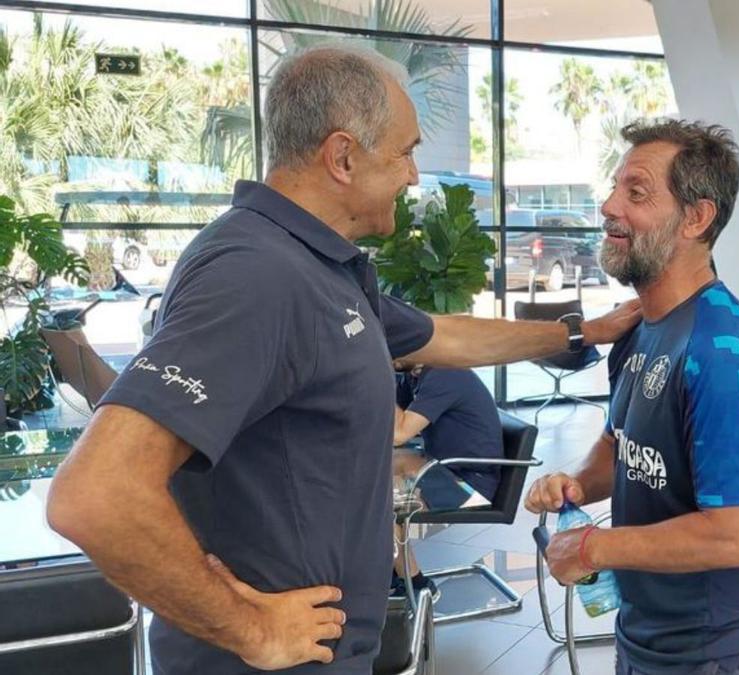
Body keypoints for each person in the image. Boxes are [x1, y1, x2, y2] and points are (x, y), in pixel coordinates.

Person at [44, 45, 638, 675]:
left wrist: (584, 332)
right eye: (405, 152)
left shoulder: (317, 265)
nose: (414, 176)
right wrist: (248, 628)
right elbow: (96, 495)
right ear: (343, 156)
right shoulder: (258, 276)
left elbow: (443, 336)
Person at [524, 119, 739, 674]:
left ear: (696, 218)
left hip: (718, 650)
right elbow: (620, 442)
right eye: (614, 187)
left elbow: (735, 536)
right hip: (648, 632)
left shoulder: (722, 354)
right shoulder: (642, 327)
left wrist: (595, 549)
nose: (607, 206)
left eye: (636, 193)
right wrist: (578, 482)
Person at [390, 359, 503, 598]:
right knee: (374, 479)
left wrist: (375, 379)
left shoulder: (446, 373)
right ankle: (389, 570)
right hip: (445, 470)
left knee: (377, 503)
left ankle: (415, 584)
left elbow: (400, 432)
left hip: (470, 486)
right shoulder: (415, 376)